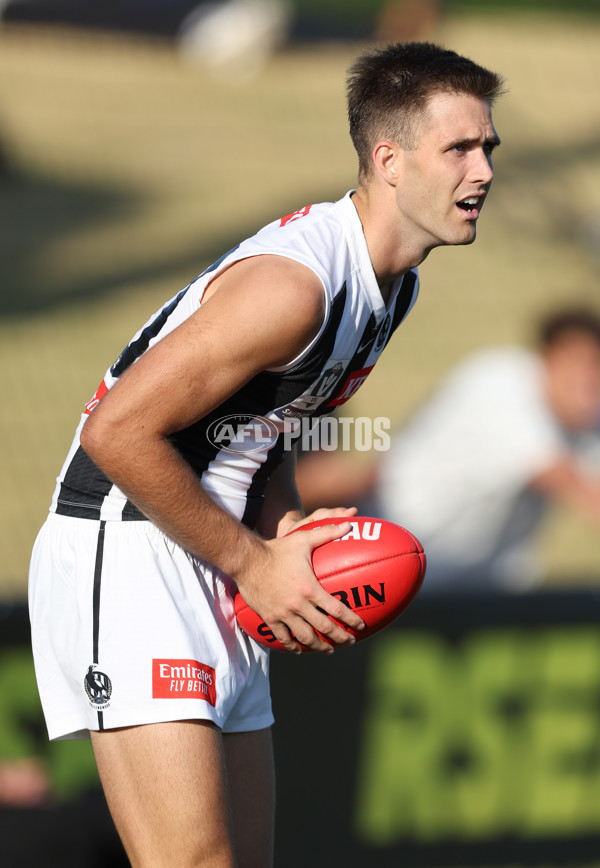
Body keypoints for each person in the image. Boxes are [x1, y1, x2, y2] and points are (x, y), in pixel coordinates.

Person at [28, 42, 504, 868]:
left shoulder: (393, 286)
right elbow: (115, 433)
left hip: (212, 553)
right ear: (388, 160)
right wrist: (255, 562)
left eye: (489, 147)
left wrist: (283, 535)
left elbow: (257, 427)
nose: (485, 170)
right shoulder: (297, 286)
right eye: (459, 148)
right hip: (130, 548)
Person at [377, 307, 600, 593]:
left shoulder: (582, 411)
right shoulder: (501, 381)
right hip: (399, 546)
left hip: (482, 574)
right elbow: (564, 480)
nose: (589, 381)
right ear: (549, 357)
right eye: (581, 365)